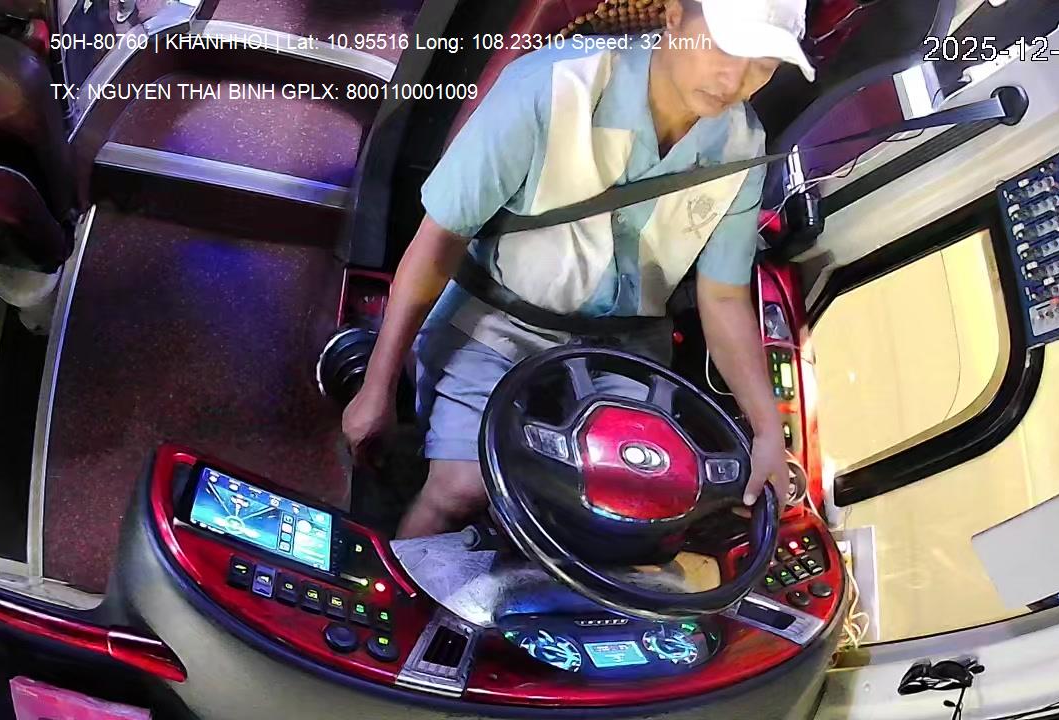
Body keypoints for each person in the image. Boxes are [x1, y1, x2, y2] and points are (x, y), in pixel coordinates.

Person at [342, 0, 817, 539]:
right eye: (723, 48)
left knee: (625, 508)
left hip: (624, 349)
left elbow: (723, 296)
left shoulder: (743, 145)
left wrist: (767, 431)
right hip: (497, 323)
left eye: (762, 65)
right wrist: (377, 387)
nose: (734, 80)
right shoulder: (551, 86)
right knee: (461, 489)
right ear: (672, 16)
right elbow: (439, 241)